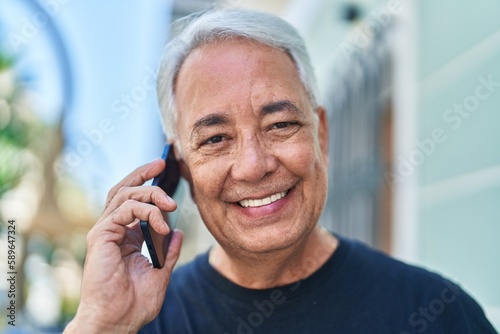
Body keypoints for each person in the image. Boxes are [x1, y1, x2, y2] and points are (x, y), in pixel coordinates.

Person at [64, 8, 497, 334]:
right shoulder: (141, 320)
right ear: (181, 169)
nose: (253, 166)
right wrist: (100, 324)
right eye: (215, 138)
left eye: (281, 125)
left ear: (321, 135)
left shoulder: (439, 313)